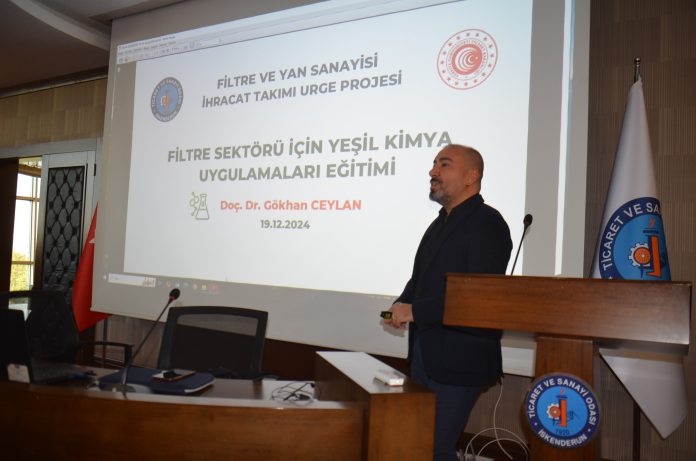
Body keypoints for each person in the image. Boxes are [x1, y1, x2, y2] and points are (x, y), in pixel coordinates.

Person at [383, 144, 512, 461]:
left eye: (444, 164)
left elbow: (477, 296)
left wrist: (415, 311)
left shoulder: (487, 223)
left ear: (471, 177)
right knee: (419, 445)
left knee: (434, 449)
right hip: (425, 355)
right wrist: (400, 305)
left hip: (461, 359)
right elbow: (420, 280)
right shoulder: (439, 223)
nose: (433, 171)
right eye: (433, 164)